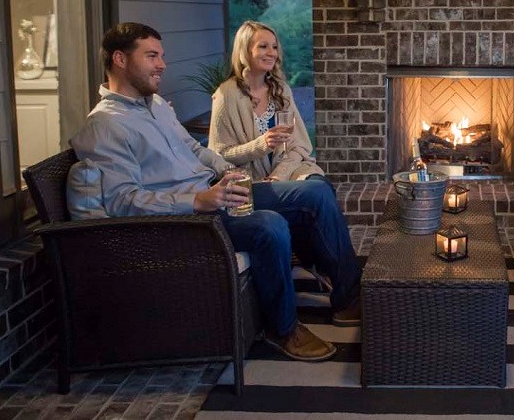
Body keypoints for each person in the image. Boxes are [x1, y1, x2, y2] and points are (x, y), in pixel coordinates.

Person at [69, 22, 362, 363]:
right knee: (269, 225)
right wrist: (196, 200)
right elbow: (123, 201)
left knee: (315, 193)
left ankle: (348, 296)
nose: (162, 64)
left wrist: (227, 172)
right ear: (119, 59)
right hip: (187, 221)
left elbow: (195, 149)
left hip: (215, 193)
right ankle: (282, 329)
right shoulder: (105, 126)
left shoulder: (157, 107)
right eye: (151, 56)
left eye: (161, 56)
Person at [209, 21, 325, 185]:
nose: (272, 53)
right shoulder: (226, 95)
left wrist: (279, 176)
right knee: (316, 193)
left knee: (320, 184)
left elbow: (299, 146)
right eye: (263, 46)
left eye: (275, 47)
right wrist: (262, 144)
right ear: (245, 51)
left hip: (286, 172)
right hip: (249, 182)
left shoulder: (281, 90)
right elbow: (219, 155)